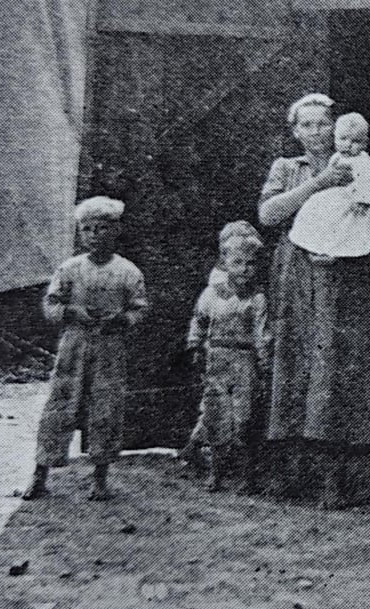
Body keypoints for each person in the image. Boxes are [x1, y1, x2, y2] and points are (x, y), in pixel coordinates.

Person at [258, 93, 370, 508]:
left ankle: (334, 475)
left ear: (336, 125)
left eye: (322, 124)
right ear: (294, 132)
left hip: (340, 271)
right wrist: (318, 184)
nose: (315, 133)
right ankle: (292, 470)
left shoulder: (356, 163)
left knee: (334, 365)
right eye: (304, 125)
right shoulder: (288, 168)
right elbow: (269, 215)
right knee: (294, 358)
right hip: (295, 269)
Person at [22, 196, 149, 501]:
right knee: (59, 406)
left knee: (105, 410)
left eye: (102, 228)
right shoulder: (69, 269)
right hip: (74, 348)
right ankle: (40, 475)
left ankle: (100, 479)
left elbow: (140, 308)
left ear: (115, 231)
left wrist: (121, 319)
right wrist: (71, 312)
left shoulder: (128, 272)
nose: (94, 235)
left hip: (108, 350)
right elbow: (51, 304)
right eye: (87, 229)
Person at [180, 221, 271, 492]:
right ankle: (215, 474)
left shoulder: (257, 299)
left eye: (250, 263)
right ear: (225, 263)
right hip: (217, 359)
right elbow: (199, 320)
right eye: (238, 262)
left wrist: (264, 363)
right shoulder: (211, 295)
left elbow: (262, 333)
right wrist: (195, 346)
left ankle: (247, 477)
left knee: (244, 419)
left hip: (244, 362)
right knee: (216, 416)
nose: (244, 269)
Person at [288, 112, 370, 259]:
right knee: (317, 206)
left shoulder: (361, 162)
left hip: (358, 198)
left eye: (356, 141)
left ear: (365, 143)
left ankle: (333, 250)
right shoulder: (338, 156)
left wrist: (363, 201)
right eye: (343, 138)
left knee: (344, 225)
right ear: (335, 137)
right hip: (341, 194)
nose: (348, 144)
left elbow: (367, 182)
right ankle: (316, 246)